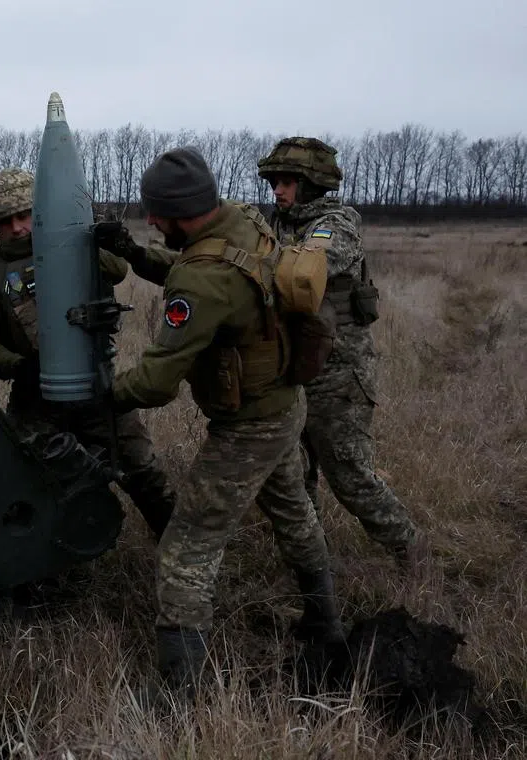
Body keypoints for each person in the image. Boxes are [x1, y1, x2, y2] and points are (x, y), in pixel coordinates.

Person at [106, 146, 344, 691]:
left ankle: (179, 691)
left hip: (249, 428)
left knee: (188, 544)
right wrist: (137, 255)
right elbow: (208, 265)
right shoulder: (240, 220)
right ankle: (325, 623)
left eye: (156, 215)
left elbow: (155, 383)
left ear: (180, 213)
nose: (150, 222)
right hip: (285, 403)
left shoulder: (200, 284)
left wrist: (95, 395)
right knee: (293, 511)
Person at [0, 167, 176, 539]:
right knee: (19, 480)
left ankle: (181, 555)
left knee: (142, 471)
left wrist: (86, 242)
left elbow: (118, 270)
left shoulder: (74, 243)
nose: (16, 228)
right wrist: (20, 368)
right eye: (4, 221)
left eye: (24, 215)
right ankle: (36, 562)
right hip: (37, 397)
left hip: (98, 387)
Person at [256, 137, 426, 567]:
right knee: (293, 474)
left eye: (288, 182)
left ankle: (411, 553)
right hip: (295, 367)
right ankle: (312, 564)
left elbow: (303, 273)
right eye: (275, 182)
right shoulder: (279, 225)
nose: (278, 190)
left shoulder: (335, 225)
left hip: (339, 373)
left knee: (348, 473)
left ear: (312, 184)